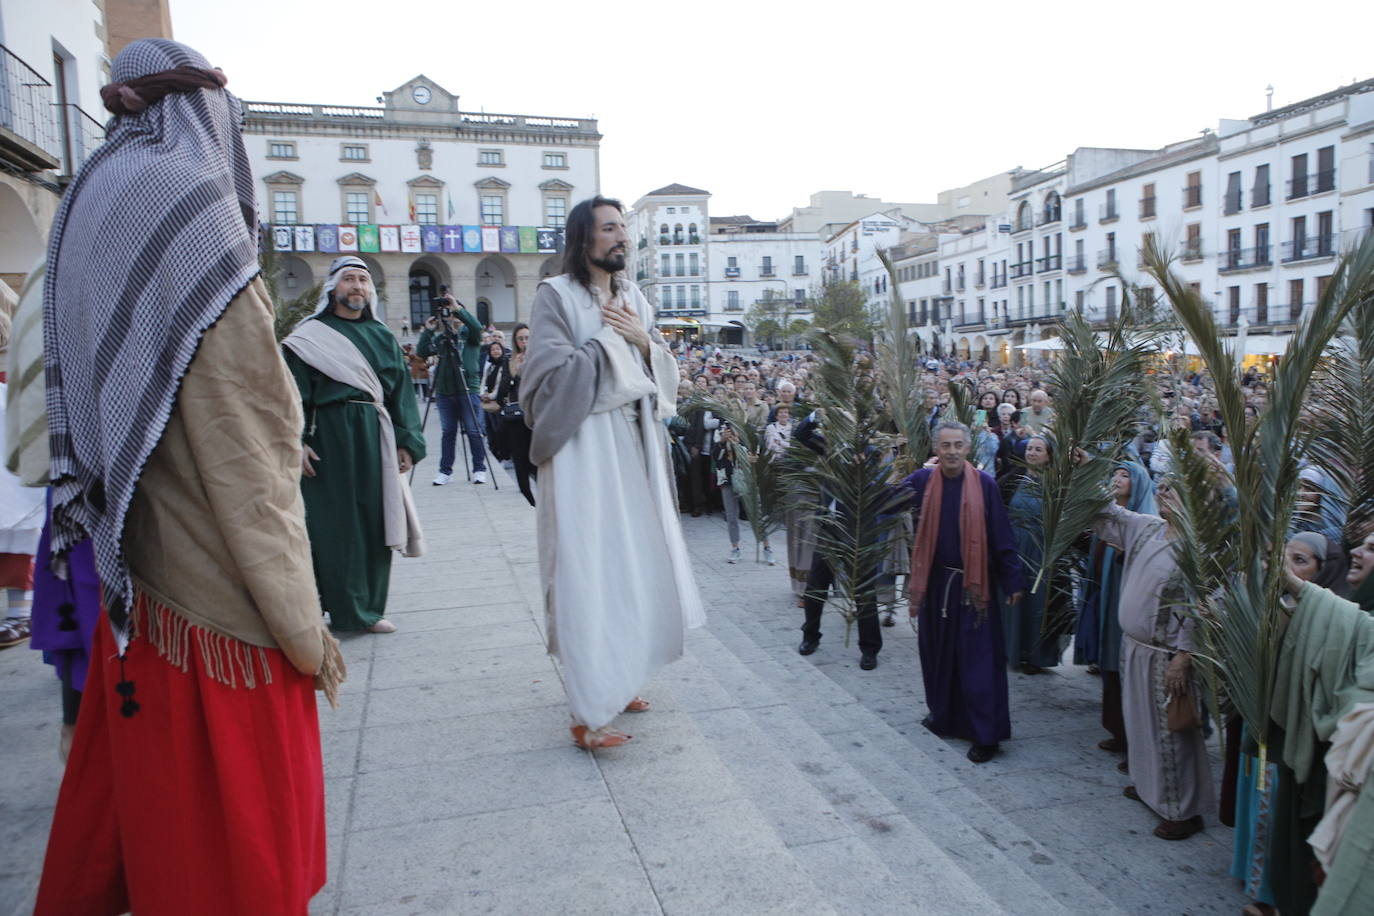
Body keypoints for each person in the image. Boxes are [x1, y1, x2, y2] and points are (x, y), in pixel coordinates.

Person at [35, 39, 344, 913]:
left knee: (142, 822)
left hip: (133, 569)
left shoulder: (89, 195)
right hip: (214, 594)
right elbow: (241, 435)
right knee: (240, 848)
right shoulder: (193, 207)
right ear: (206, 108)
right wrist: (296, 618)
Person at [520, 195, 704, 749]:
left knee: (633, 566)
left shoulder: (635, 299)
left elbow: (659, 373)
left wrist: (644, 341)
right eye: (609, 228)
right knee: (589, 573)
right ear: (583, 240)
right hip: (584, 451)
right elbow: (544, 386)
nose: (621, 237)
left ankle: (621, 679)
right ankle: (587, 712)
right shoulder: (556, 298)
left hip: (635, 447)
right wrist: (607, 340)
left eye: (624, 227)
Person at [283, 255, 426, 634]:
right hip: (327, 435)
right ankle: (336, 606)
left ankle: (370, 609)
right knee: (333, 525)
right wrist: (296, 442)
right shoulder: (308, 336)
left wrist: (406, 440)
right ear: (333, 287)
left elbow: (402, 394)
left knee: (374, 521)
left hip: (373, 434)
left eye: (363, 280)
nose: (357, 287)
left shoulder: (381, 336)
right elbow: (289, 395)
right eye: (349, 279)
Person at [1088, 472, 1214, 840]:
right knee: (1139, 724)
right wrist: (1085, 467)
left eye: (1175, 488)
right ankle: (1149, 789)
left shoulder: (1198, 547)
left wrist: (1184, 655)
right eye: (1162, 488)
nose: (1165, 494)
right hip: (1134, 647)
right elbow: (1105, 510)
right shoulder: (1146, 528)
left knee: (1170, 733)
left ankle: (1183, 810)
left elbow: (1203, 604)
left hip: (1167, 656)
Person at [901, 421, 1026, 763]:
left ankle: (986, 734)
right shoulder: (923, 481)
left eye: (958, 445)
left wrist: (1012, 580)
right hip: (936, 585)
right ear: (936, 450)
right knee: (939, 656)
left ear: (968, 448)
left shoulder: (985, 484)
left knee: (978, 663)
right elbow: (886, 500)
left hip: (974, 588)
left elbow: (1002, 534)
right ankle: (944, 716)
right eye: (946, 446)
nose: (952, 451)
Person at [1075, 460, 1156, 755]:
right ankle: (1118, 731)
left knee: (1128, 675)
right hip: (1106, 602)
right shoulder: (1109, 517)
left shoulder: (1146, 523)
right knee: (1111, 671)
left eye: (1126, 475)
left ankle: (1134, 742)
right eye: (1116, 473)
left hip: (1129, 609)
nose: (1118, 479)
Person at [1005, 434, 1069, 673]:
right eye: (1029, 448)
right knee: (1012, 600)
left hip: (1040, 553)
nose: (1031, 453)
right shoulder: (1014, 478)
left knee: (1036, 605)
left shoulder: (1056, 484)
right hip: (1014, 548)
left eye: (1038, 449)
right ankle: (1011, 650)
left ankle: (1034, 656)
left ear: (1048, 455)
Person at [417, 295, 486, 485]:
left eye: (456, 313)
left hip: (467, 389)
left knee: (473, 431)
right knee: (448, 432)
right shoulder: (442, 338)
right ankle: (445, 471)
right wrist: (428, 332)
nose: (453, 317)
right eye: (450, 313)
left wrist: (457, 309)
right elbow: (422, 352)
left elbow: (477, 327)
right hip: (445, 391)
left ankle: (479, 469)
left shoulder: (469, 335)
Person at [503, 323, 537, 506]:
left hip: (535, 416)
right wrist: (514, 373)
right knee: (520, 460)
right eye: (520, 338)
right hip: (516, 416)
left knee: (537, 461)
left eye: (527, 338)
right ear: (515, 341)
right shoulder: (509, 359)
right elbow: (504, 390)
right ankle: (529, 499)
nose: (524, 342)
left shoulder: (539, 357)